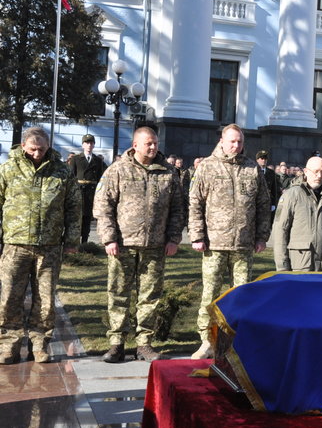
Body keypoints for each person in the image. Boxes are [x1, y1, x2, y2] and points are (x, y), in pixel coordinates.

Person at [94, 127, 185, 363]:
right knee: (118, 293)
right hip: (123, 244)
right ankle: (117, 343)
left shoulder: (168, 172)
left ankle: (144, 344)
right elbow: (103, 207)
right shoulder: (117, 170)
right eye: (148, 144)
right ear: (135, 145)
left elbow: (178, 209)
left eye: (155, 143)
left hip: (155, 246)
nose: (153, 147)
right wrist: (109, 238)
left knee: (150, 296)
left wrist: (173, 238)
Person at [189, 124, 272, 359]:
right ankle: (207, 340)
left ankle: (236, 340)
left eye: (240, 142)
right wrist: (197, 236)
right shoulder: (207, 166)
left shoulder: (252, 168)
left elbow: (263, 205)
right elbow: (195, 203)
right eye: (232, 141)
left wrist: (261, 236)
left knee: (242, 295)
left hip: (243, 245)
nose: (236, 146)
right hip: (214, 243)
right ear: (222, 141)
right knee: (210, 294)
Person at [0, 127, 81, 364]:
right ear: (23, 146)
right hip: (15, 244)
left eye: (42, 149)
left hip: (50, 246)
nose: (37, 154)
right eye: (33, 149)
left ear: (48, 147)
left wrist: (72, 240)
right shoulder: (8, 169)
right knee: (9, 297)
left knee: (45, 300)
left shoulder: (62, 171)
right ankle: (8, 345)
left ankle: (40, 344)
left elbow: (74, 207)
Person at [274, 156, 322, 272]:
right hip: (300, 266)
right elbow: (280, 232)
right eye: (316, 171)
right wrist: (282, 268)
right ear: (306, 172)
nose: (319, 176)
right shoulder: (292, 195)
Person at [70, 134, 107, 243]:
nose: (89, 145)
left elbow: (101, 178)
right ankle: (74, 242)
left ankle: (85, 242)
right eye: (87, 143)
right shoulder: (76, 159)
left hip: (91, 193)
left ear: (94, 145)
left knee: (87, 218)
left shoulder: (97, 160)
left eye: (91, 143)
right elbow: (71, 176)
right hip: (79, 191)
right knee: (77, 217)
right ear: (82, 145)